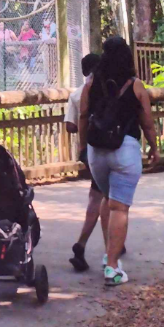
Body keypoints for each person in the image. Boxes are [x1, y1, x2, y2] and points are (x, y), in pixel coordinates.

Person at [79, 35, 159, 287]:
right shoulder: (135, 85)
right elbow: (146, 120)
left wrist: (83, 147)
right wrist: (154, 146)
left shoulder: (91, 83)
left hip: (97, 151)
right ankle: (112, 266)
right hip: (125, 148)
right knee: (119, 207)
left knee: (108, 198)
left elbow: (83, 115)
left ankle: (108, 254)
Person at [64, 52, 102, 272]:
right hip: (109, 149)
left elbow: (70, 126)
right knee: (103, 199)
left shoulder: (77, 94)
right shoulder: (111, 89)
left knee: (98, 195)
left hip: (88, 150)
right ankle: (83, 244)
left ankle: (114, 242)